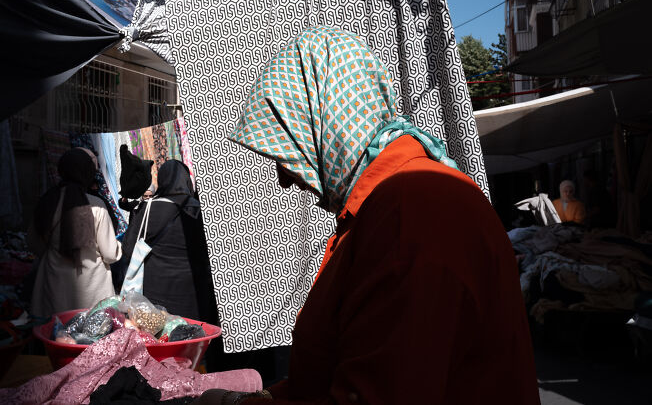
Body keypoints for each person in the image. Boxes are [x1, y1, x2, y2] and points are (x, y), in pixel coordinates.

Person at [193, 27, 540, 404]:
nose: (284, 178)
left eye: (287, 152)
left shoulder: (412, 212)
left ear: (326, 123)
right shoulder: (386, 206)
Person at [119, 160, 218, 325]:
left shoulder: (147, 209)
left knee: (161, 341)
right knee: (195, 338)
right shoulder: (201, 211)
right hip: (194, 294)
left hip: (155, 298)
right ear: (186, 180)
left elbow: (128, 249)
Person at [29, 148, 122, 317]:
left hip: (53, 287)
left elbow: (34, 245)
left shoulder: (47, 202)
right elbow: (110, 253)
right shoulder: (96, 205)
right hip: (92, 290)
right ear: (88, 173)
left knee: (56, 336)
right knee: (90, 339)